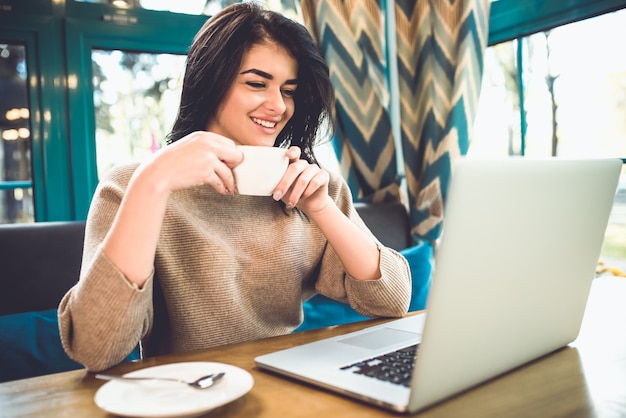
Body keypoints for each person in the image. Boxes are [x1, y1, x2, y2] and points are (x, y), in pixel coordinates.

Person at [58, 2, 411, 372]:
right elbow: (95, 349)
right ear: (210, 82)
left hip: (288, 387)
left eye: (289, 91)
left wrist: (322, 208)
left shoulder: (310, 186)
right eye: (257, 83)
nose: (278, 105)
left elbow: (392, 301)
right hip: (185, 396)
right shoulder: (133, 184)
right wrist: (153, 182)